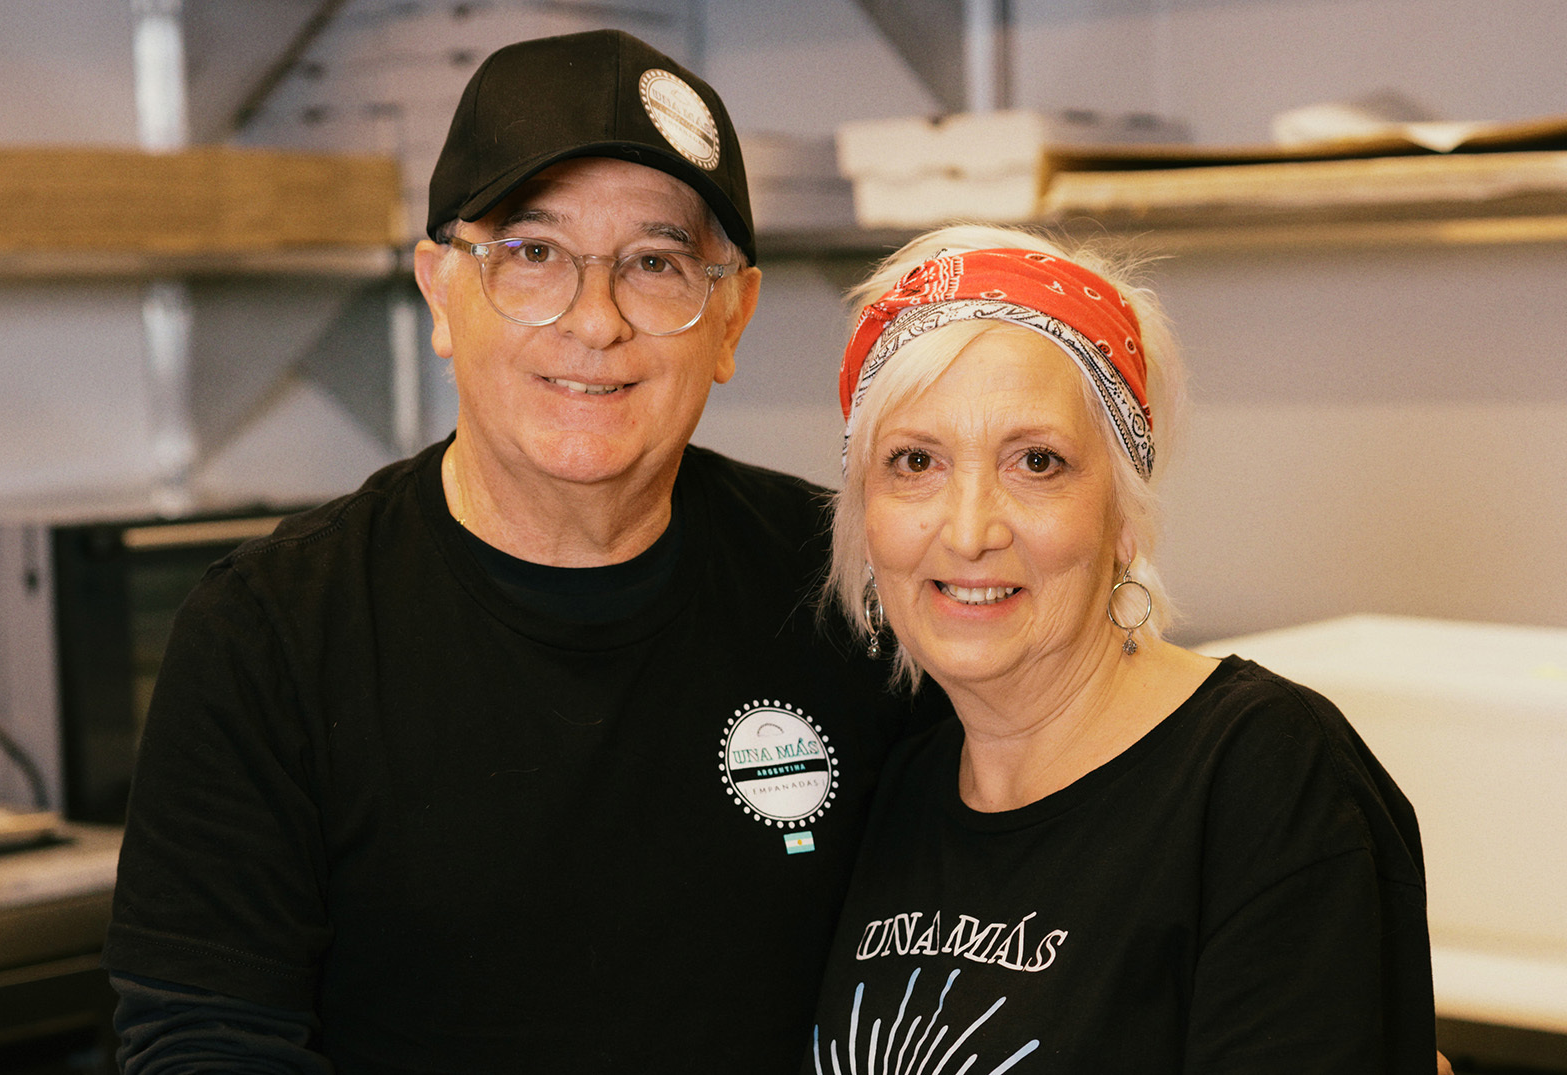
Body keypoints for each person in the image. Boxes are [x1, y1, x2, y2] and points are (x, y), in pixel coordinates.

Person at [103, 30, 939, 1073]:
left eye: (655, 263)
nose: (594, 321)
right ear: (439, 293)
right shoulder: (267, 635)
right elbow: (206, 1040)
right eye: (533, 254)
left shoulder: (856, 590)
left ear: (731, 317)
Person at [808, 225, 1440, 1073]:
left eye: (1037, 461)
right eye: (915, 461)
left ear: (1124, 515)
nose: (968, 530)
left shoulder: (1261, 773)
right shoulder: (901, 786)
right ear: (864, 513)